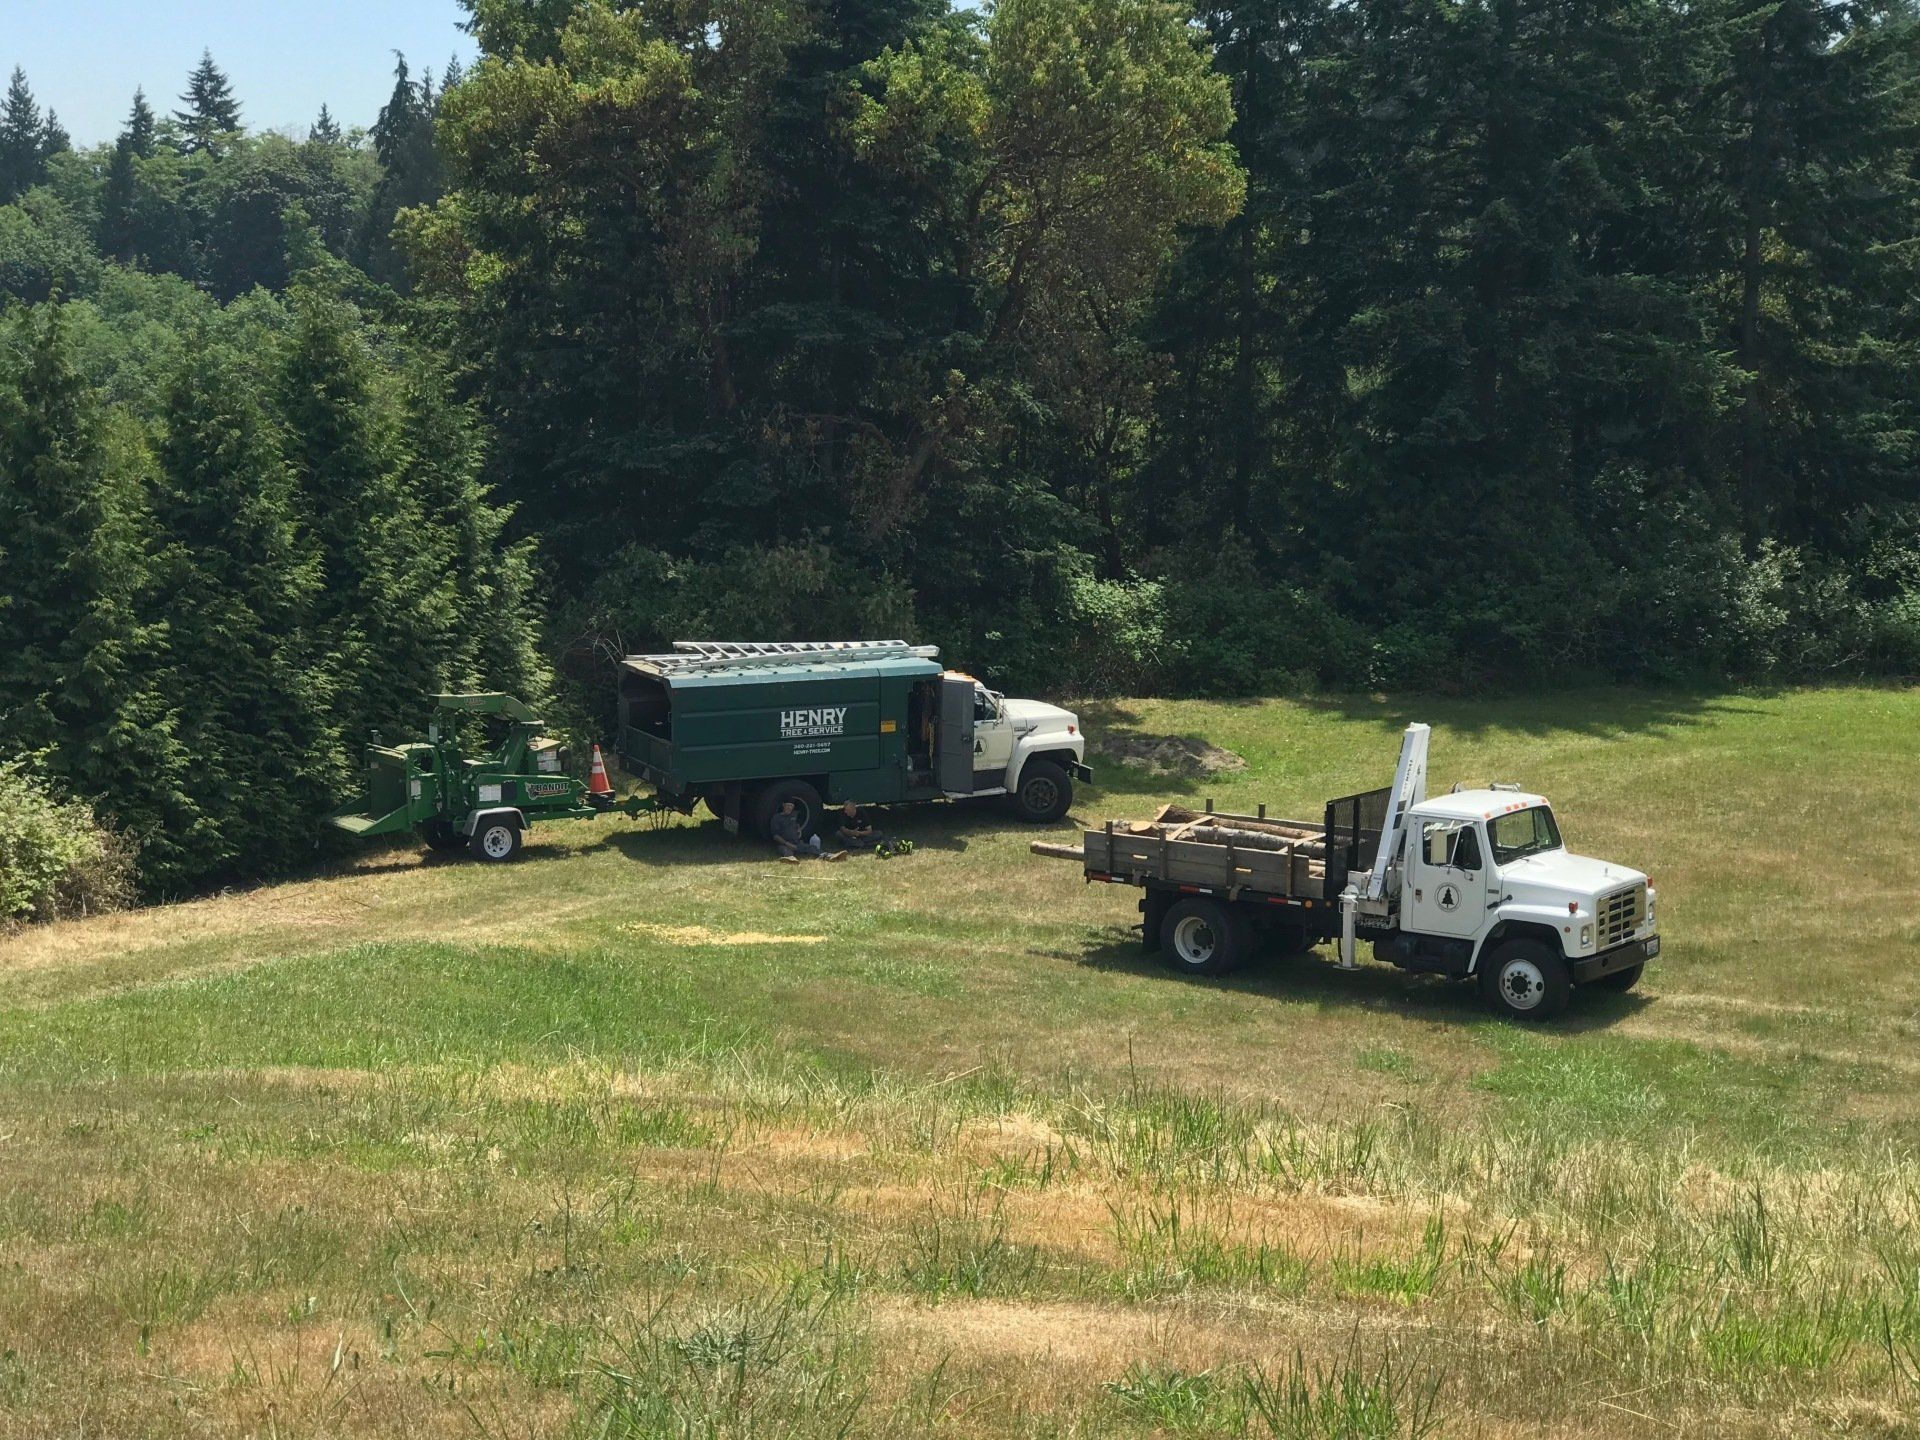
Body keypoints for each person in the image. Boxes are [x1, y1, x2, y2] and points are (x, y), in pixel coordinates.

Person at [771, 799, 846, 862]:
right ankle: (790, 860)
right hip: (784, 844)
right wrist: (787, 844)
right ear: (783, 805)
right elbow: (775, 836)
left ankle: (831, 856)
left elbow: (796, 822)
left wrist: (799, 828)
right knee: (786, 851)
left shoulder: (794, 814)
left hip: (797, 843)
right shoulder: (777, 818)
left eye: (791, 806)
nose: (789, 808)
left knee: (812, 848)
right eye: (788, 805)